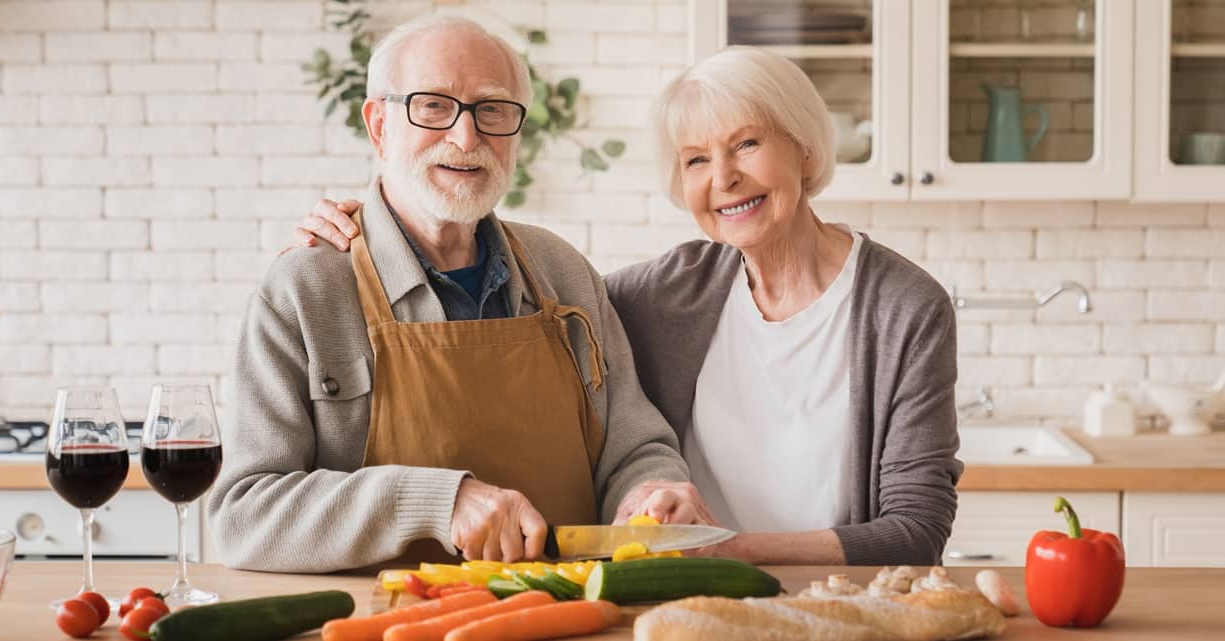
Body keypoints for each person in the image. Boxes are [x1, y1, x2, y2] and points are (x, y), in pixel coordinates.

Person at [296, 46, 963, 566]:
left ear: (806, 146)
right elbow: (518, 316)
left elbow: (915, 530)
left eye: (748, 144)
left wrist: (735, 547)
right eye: (696, 159)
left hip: (835, 606)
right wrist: (365, 231)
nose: (723, 177)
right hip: (684, 607)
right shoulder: (664, 293)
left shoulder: (904, 309)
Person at [209, 15, 712, 574]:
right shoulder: (305, 290)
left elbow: (636, 448)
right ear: (379, 126)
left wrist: (652, 492)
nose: (466, 137)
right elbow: (244, 516)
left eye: (491, 109)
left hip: (565, 620)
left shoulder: (564, 274)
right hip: (384, 627)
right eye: (432, 105)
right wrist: (438, 502)